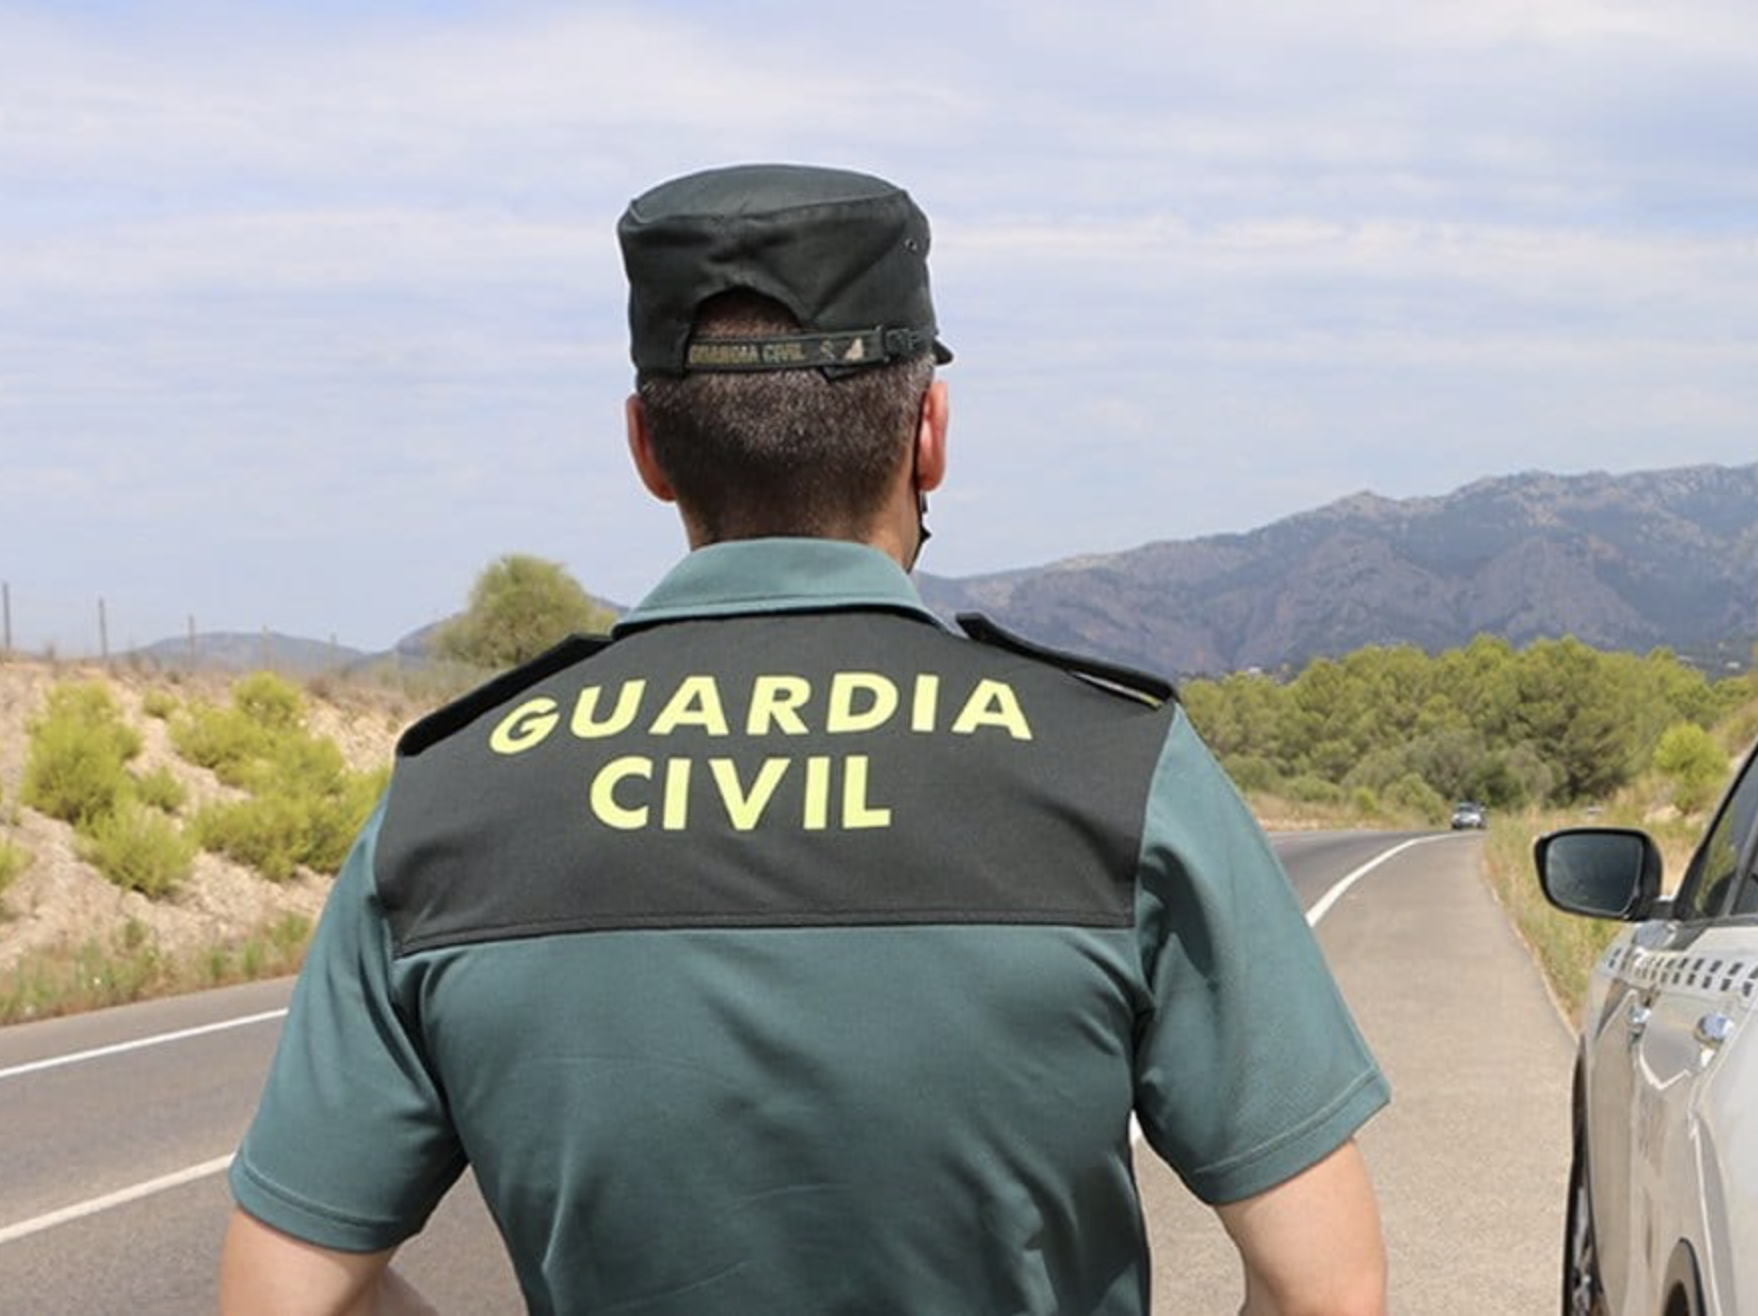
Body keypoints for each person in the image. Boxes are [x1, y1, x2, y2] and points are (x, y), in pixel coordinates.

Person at [218, 163, 1391, 1315]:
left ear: (647, 447)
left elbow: (284, 1296)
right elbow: (1325, 1287)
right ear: (928, 435)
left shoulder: (453, 798)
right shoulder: (1115, 768)